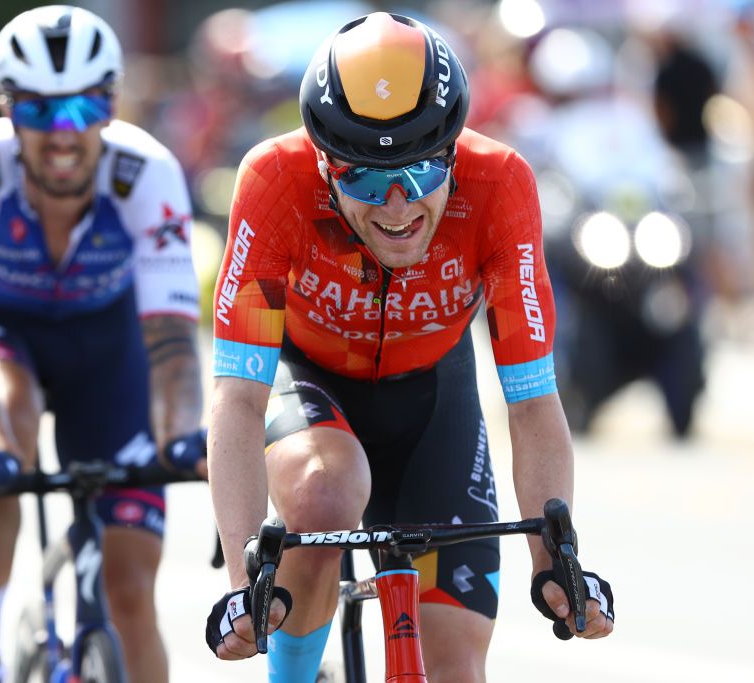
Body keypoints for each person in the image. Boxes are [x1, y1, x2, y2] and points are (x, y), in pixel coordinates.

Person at [204, 12, 615, 682]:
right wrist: (242, 573)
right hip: (310, 385)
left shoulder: (500, 185)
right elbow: (238, 399)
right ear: (324, 163)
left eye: (421, 170)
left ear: (453, 150)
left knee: (453, 664)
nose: (397, 205)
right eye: (364, 178)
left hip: (433, 398)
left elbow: (534, 402)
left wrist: (554, 565)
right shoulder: (274, 181)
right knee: (326, 492)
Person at [0, 6, 204, 683]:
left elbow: (170, 342)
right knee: (4, 436)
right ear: (7, 111)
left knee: (131, 588)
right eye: (40, 112)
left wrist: (183, 436)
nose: (63, 134)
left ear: (111, 106)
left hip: (107, 351)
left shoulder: (147, 174)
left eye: (84, 108)